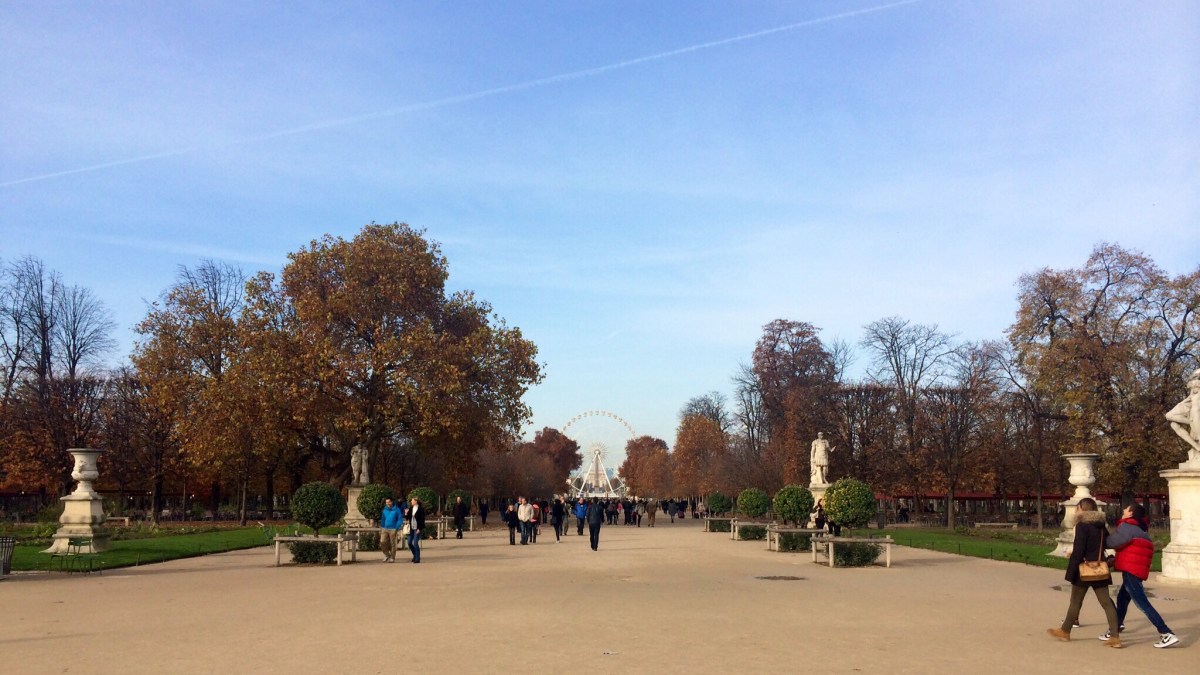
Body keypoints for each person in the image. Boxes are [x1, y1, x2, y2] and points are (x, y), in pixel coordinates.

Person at [1047, 498, 1121, 647]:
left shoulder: (1082, 525)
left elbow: (1079, 550)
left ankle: (1065, 631)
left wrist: (1071, 571)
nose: (1076, 510)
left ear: (1082, 508)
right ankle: (1115, 636)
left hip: (1084, 568)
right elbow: (1107, 543)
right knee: (1106, 603)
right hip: (1099, 568)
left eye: (1077, 507)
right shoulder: (1101, 525)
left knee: (1076, 601)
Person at [1105, 503, 1179, 648]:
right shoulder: (1140, 530)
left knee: (1142, 603)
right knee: (1122, 599)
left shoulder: (1127, 526)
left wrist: (1100, 535)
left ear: (1131, 513)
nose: (1123, 510)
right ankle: (1115, 628)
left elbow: (1111, 542)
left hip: (1131, 570)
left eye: (1126, 509)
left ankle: (1166, 632)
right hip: (1137, 570)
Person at [1165, 368, 1200, 466]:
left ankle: (1197, 449)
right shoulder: (1193, 394)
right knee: (1172, 421)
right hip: (1192, 412)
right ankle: (1197, 447)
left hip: (1196, 413)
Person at [379, 497, 402, 562]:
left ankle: (392, 557)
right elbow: (383, 519)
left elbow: (399, 519)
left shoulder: (397, 510)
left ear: (392, 502)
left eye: (389, 502)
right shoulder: (384, 510)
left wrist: (396, 527)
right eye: (386, 502)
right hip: (385, 528)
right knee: (382, 542)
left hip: (393, 529)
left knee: (393, 544)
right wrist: (382, 527)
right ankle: (387, 555)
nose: (387, 503)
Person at [405, 496, 426, 564]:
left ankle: (417, 558)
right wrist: (406, 513)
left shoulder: (421, 509)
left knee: (415, 543)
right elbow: (407, 517)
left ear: (416, 501)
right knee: (409, 542)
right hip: (411, 528)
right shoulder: (411, 508)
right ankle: (415, 555)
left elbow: (422, 520)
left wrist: (419, 528)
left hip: (417, 528)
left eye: (412, 500)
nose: (411, 502)